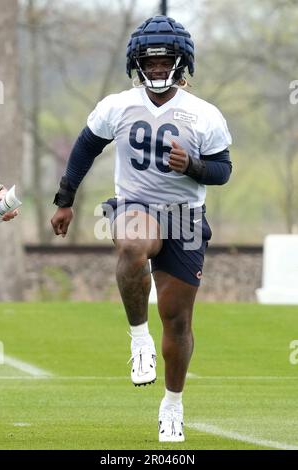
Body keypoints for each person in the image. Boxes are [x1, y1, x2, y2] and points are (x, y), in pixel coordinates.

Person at [51, 15, 232, 442]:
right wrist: (65, 199)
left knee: (178, 322)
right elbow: (85, 148)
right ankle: (138, 339)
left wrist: (193, 165)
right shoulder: (118, 106)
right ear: (136, 64)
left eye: (163, 60)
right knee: (132, 244)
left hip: (185, 217)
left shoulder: (203, 114)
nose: (155, 69)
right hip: (134, 204)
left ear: (180, 62)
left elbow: (223, 170)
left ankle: (172, 405)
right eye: (148, 62)